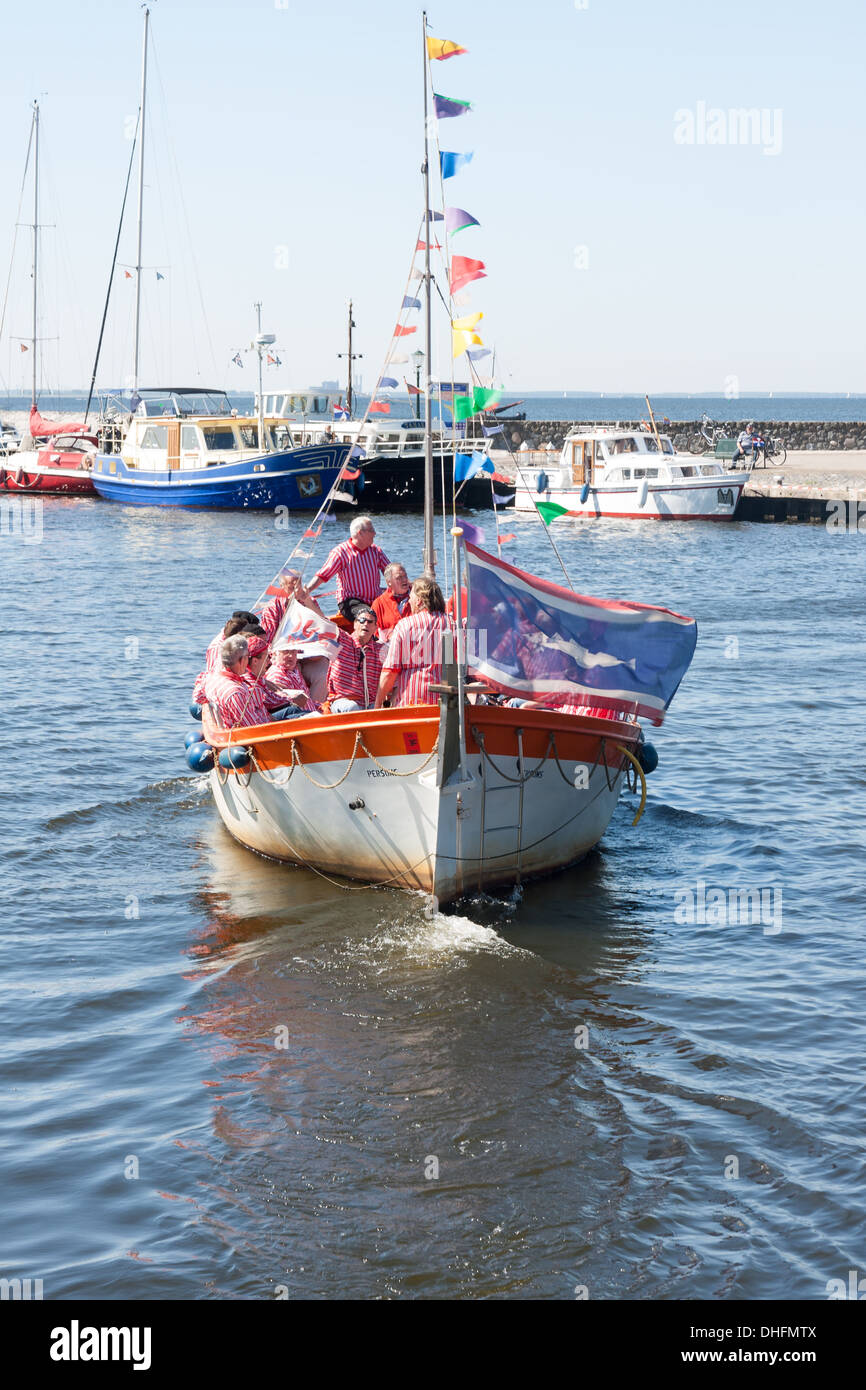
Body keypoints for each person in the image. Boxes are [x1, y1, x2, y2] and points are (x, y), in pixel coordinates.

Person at [374, 577, 452, 709]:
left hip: (413, 701)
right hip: (447, 703)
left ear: (419, 601)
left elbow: (390, 671)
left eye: (410, 598)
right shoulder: (452, 624)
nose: (408, 601)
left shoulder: (405, 626)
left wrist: (377, 705)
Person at [205, 636, 304, 728]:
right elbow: (253, 727)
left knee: (298, 714)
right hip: (256, 736)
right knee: (304, 718)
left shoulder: (213, 678)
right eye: (247, 657)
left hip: (259, 724)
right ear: (243, 660)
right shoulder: (235, 692)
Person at [308, 515, 390, 622]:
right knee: (367, 615)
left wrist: (409, 587)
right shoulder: (341, 552)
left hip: (375, 600)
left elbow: (391, 572)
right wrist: (306, 591)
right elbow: (323, 575)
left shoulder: (376, 551)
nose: (374, 533)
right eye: (371, 530)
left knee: (396, 610)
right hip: (350, 602)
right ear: (360, 533)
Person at [326, 607, 383, 712]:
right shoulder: (343, 641)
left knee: (379, 709)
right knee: (352, 707)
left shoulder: (380, 651)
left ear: (375, 628)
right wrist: (307, 600)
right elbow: (325, 624)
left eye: (370, 622)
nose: (365, 624)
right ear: (355, 624)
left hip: (369, 703)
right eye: (361, 620)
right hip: (343, 701)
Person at [265, 638, 318, 714]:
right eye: (286, 651)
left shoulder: (293, 670)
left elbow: (308, 701)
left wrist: (320, 706)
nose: (291, 655)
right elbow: (288, 708)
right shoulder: (277, 675)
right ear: (275, 653)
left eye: (293, 651)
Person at [371, 563, 412, 637]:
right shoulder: (379, 603)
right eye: (399, 577)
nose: (405, 580)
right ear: (388, 582)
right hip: (388, 646)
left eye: (405, 576)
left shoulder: (417, 598)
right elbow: (374, 632)